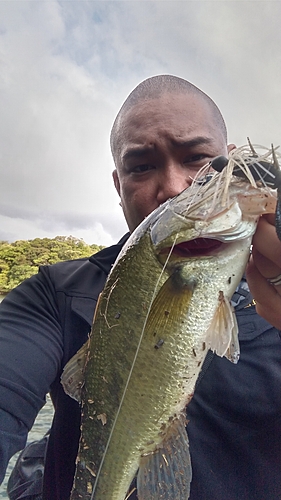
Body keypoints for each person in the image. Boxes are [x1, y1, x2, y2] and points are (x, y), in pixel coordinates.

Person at [0, 75, 280, 500]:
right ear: (119, 185)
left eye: (199, 160)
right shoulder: (51, 295)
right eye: (142, 166)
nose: (171, 187)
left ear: (232, 162)